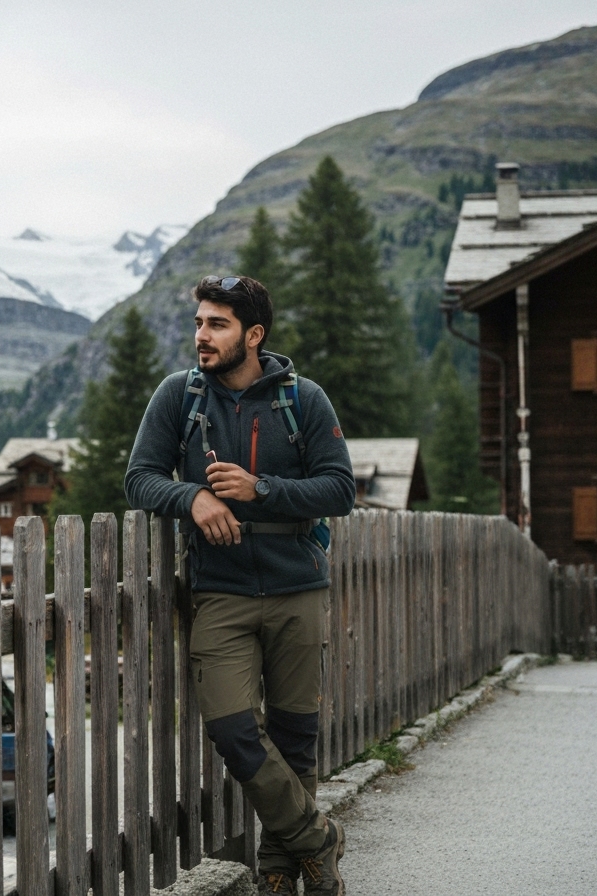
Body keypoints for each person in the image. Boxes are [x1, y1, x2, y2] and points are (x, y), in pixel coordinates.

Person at [124, 275, 355, 895]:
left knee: (295, 735)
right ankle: (318, 839)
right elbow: (139, 478)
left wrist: (261, 490)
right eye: (199, 322)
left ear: (253, 335)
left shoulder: (303, 399)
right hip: (219, 590)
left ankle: (280, 867)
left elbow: (341, 490)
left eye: (217, 324)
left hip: (297, 586)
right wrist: (192, 497)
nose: (202, 335)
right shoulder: (178, 396)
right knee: (233, 729)